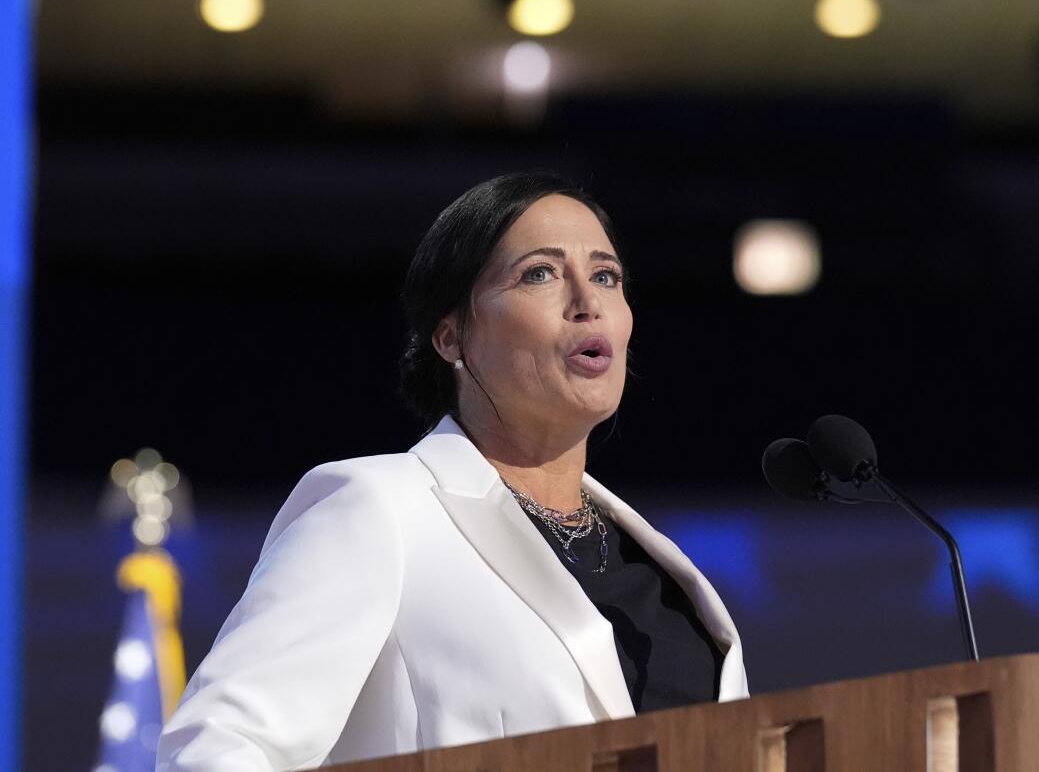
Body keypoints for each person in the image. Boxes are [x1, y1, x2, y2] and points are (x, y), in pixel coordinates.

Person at [156, 172, 749, 771]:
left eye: (606, 275)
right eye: (540, 273)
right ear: (451, 336)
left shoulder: (664, 577)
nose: (587, 302)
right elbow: (214, 747)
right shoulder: (379, 508)